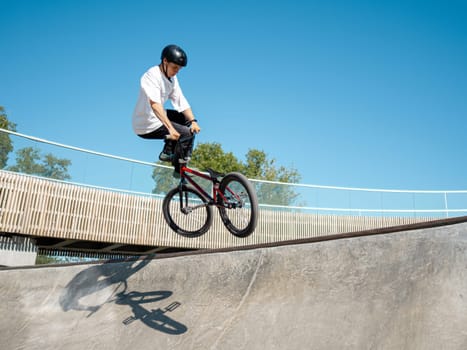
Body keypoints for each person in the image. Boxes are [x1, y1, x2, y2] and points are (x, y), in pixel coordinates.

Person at [132, 44, 201, 175]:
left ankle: (170, 152)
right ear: (165, 61)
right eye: (174, 67)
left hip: (157, 117)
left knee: (187, 122)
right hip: (146, 123)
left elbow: (181, 100)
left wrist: (193, 121)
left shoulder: (172, 79)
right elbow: (155, 105)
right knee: (187, 133)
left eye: (179, 69)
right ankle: (178, 168)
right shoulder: (152, 75)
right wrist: (171, 129)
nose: (176, 71)